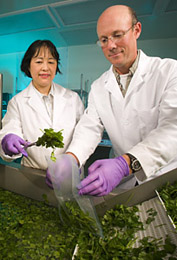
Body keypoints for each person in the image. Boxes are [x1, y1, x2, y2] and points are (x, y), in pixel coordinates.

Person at [47, 5, 177, 196]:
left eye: (117, 35)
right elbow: (89, 128)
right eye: (104, 39)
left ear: (136, 30)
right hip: (123, 185)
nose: (111, 45)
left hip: (165, 177)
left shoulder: (169, 72)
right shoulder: (99, 87)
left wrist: (124, 164)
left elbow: (172, 131)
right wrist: (72, 157)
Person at [0, 40, 84, 176]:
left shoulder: (72, 98)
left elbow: (84, 134)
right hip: (32, 175)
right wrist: (8, 141)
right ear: (28, 66)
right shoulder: (17, 102)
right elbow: (11, 129)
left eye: (51, 62)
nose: (45, 68)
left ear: (56, 66)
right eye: (39, 62)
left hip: (69, 174)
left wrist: (75, 159)